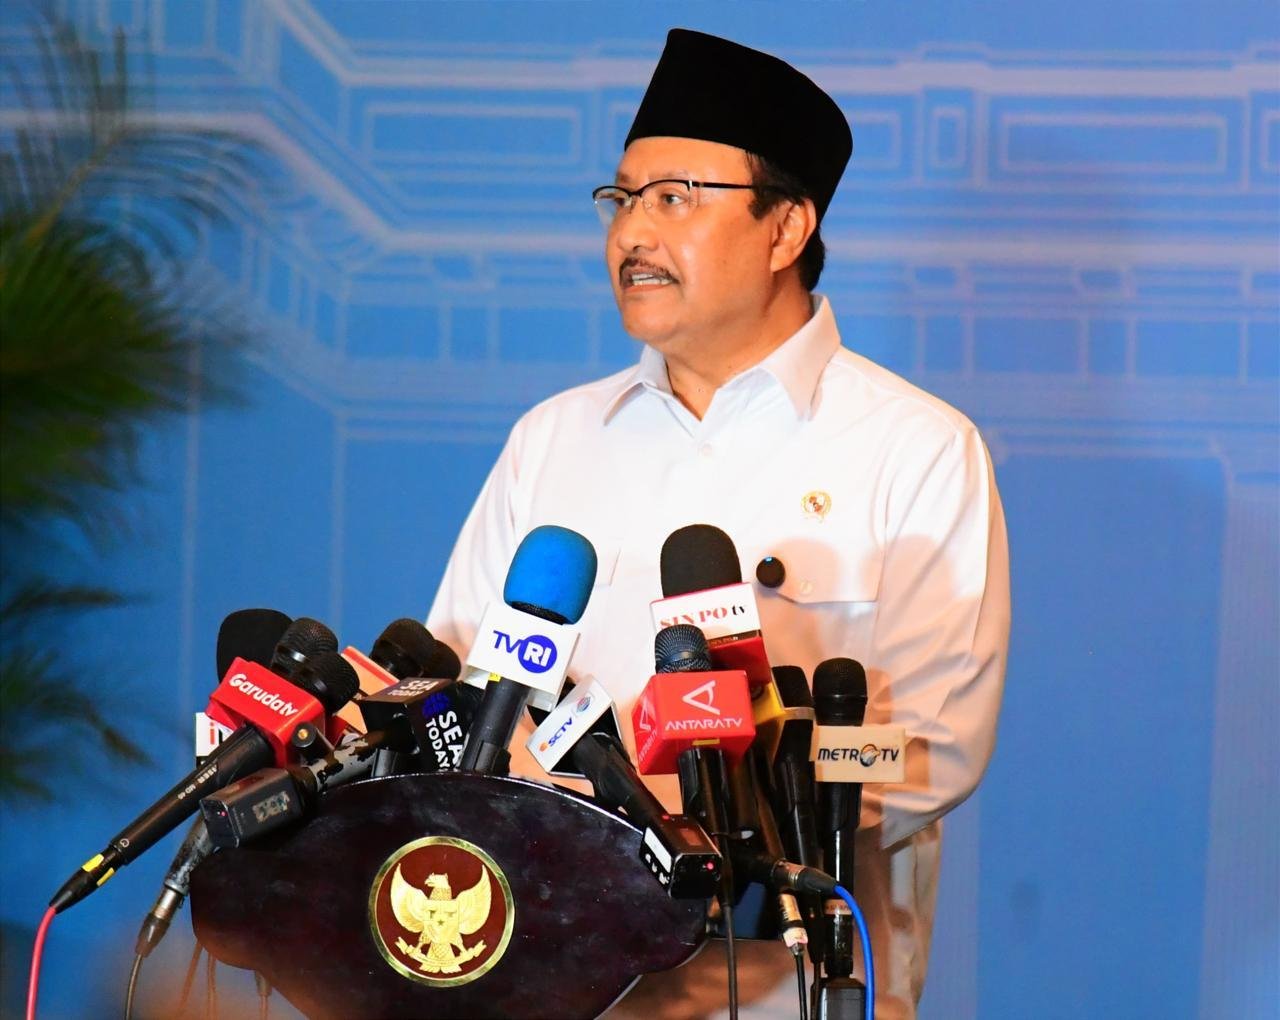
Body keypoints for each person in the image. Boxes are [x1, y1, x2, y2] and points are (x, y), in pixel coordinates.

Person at [427, 28, 1010, 1020]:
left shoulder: (914, 448)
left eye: (674, 198)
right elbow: (466, 687)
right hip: (547, 978)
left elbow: (929, 745)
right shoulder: (552, 438)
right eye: (621, 199)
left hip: (786, 988)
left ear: (785, 229)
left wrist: (705, 809)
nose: (631, 234)